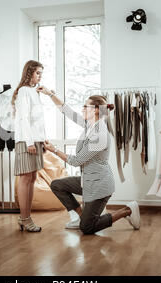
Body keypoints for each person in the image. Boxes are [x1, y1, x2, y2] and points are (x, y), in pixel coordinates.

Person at [37, 86, 141, 234]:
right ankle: (81, 217)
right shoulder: (90, 125)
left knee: (87, 228)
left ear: (96, 110)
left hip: (100, 184)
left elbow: (76, 160)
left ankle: (127, 210)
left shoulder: (100, 134)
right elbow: (68, 111)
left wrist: (53, 149)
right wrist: (50, 94)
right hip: (87, 181)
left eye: (86, 106)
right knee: (57, 185)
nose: (82, 109)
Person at [11, 60, 45, 232]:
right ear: (29, 72)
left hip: (35, 140)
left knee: (31, 179)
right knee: (26, 179)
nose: (40, 76)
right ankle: (25, 218)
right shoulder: (24, 91)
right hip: (27, 141)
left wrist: (41, 140)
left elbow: (36, 121)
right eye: (38, 72)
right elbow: (24, 119)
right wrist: (30, 142)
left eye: (41, 73)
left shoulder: (33, 92)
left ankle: (25, 217)